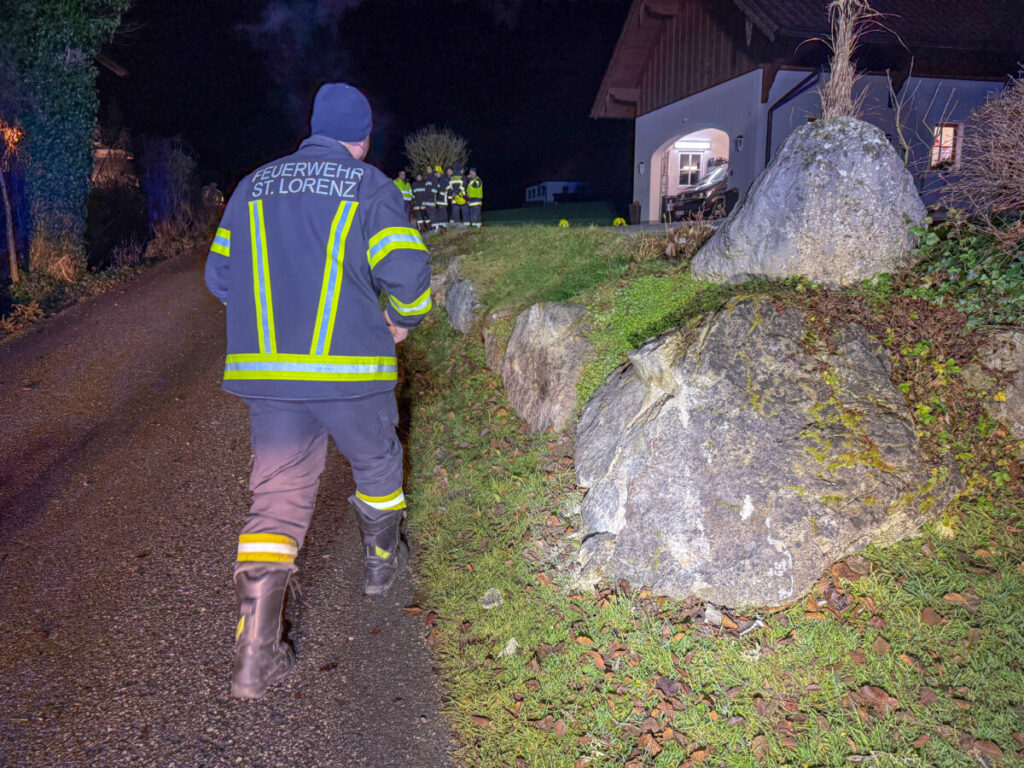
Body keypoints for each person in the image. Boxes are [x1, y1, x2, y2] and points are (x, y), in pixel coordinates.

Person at [204, 82, 432, 699]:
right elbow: (408, 274)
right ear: (363, 139)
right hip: (350, 372)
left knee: (276, 499)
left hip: (271, 380)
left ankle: (254, 656)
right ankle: (380, 566)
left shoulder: (252, 186)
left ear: (312, 130)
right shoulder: (370, 187)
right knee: (376, 461)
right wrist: (401, 321)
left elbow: (220, 277)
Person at [432, 166, 449, 231]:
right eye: (436, 173)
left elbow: (445, 189)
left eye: (438, 173)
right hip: (438, 200)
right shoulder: (436, 180)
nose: (437, 174)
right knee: (439, 212)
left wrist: (439, 193)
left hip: (443, 199)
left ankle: (444, 226)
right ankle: (441, 226)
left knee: (443, 212)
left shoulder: (443, 180)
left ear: (441, 173)